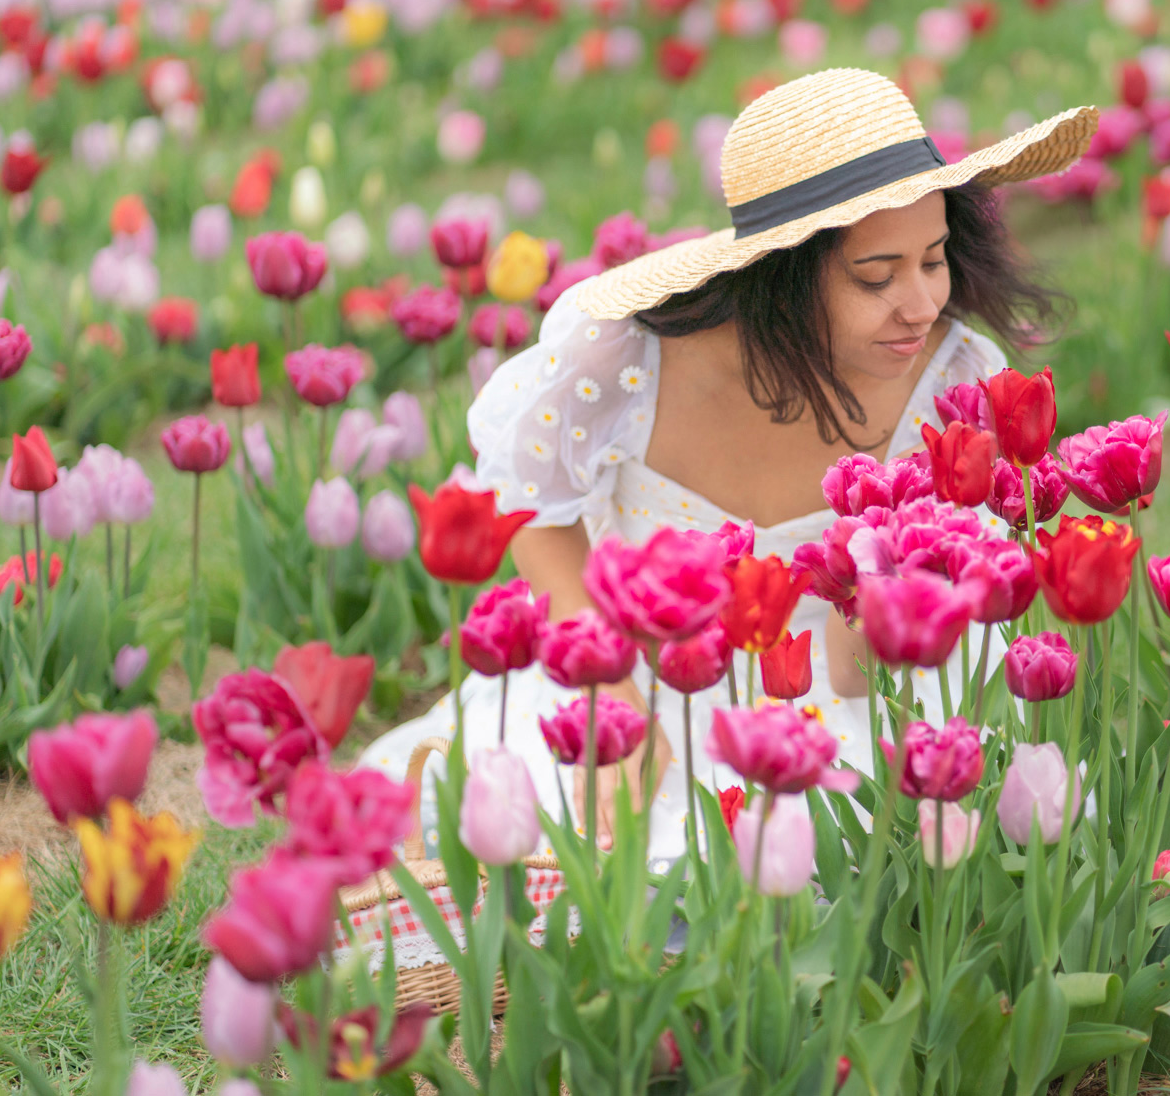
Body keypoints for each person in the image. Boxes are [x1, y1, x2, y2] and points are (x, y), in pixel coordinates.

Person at [362, 68, 1096, 863]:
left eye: (934, 258)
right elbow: (536, 509)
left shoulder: (952, 381)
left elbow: (866, 672)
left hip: (850, 697)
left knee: (859, 863)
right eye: (876, 277)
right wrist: (607, 687)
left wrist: (881, 600)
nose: (921, 304)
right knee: (540, 840)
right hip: (640, 673)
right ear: (779, 278)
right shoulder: (627, 359)